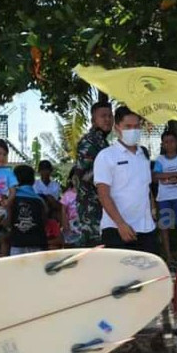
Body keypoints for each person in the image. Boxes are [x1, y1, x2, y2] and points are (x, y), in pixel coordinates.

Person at [93, 106, 157, 254]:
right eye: (128, 127)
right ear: (117, 128)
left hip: (146, 228)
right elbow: (103, 195)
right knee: (119, 276)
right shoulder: (106, 156)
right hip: (116, 229)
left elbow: (146, 189)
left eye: (136, 126)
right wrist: (120, 224)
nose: (133, 130)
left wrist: (153, 213)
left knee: (147, 276)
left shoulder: (144, 155)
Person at [74, 101, 113, 247]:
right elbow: (83, 175)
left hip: (100, 205)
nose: (107, 119)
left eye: (110, 116)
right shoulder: (90, 141)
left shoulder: (102, 141)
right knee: (93, 248)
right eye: (103, 116)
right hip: (91, 206)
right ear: (93, 120)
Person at [153, 129, 177, 265]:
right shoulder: (160, 159)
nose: (169, 144)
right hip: (163, 198)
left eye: (172, 141)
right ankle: (168, 255)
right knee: (164, 226)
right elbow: (155, 176)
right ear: (162, 144)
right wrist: (174, 174)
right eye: (166, 142)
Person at [9, 165, 48, 256]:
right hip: (37, 243)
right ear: (33, 180)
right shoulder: (40, 200)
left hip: (17, 243)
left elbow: (7, 221)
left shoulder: (12, 199)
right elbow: (44, 221)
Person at [60, 167, 81, 247]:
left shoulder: (86, 193)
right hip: (72, 224)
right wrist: (65, 225)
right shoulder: (67, 194)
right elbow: (63, 211)